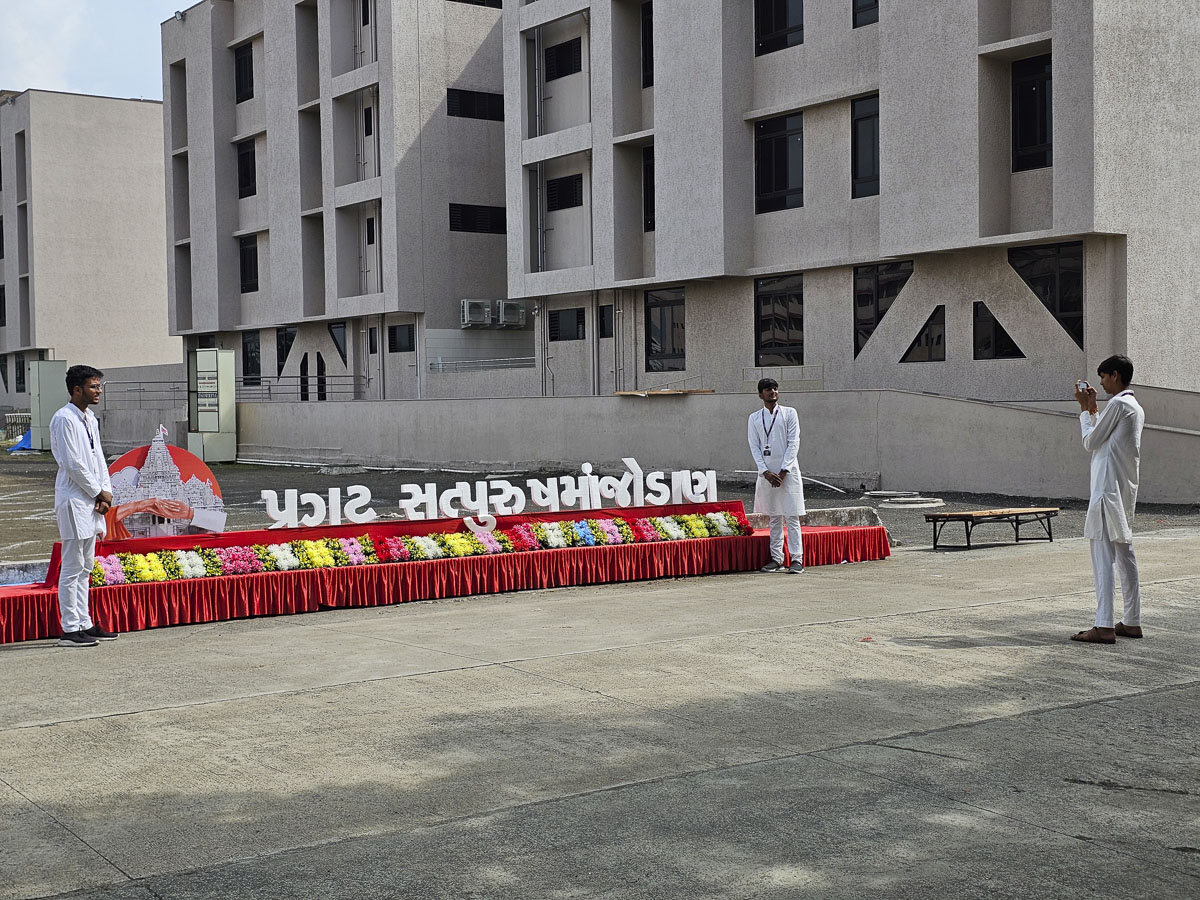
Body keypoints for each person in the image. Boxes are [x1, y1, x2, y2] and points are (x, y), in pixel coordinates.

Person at [1071, 355, 1145, 645]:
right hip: (1122, 492)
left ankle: (1103, 625)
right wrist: (1093, 410)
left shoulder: (1118, 404)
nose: (1100, 382)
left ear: (1115, 375)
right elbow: (1106, 440)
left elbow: (1091, 442)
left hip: (1106, 492)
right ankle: (1132, 620)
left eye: (1103, 376)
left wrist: (1084, 410)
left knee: (1103, 557)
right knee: (1125, 556)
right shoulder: (1134, 407)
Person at [50, 365, 119, 648]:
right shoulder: (64, 418)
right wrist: (98, 492)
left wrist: (106, 493)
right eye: (93, 386)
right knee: (72, 565)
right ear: (77, 389)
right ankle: (70, 629)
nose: (98, 391)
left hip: (91, 499)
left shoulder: (90, 418)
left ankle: (84, 622)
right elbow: (72, 463)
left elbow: (98, 458)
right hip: (73, 499)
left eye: (99, 386)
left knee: (86, 566)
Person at [747, 377, 805, 574]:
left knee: (792, 516)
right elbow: (754, 446)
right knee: (774, 517)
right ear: (760, 395)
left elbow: (793, 443)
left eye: (775, 388)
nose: (773, 392)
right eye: (768, 389)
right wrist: (765, 472)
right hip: (767, 473)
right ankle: (776, 558)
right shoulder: (754, 418)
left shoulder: (790, 413)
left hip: (788, 472)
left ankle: (796, 559)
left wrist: (783, 471)